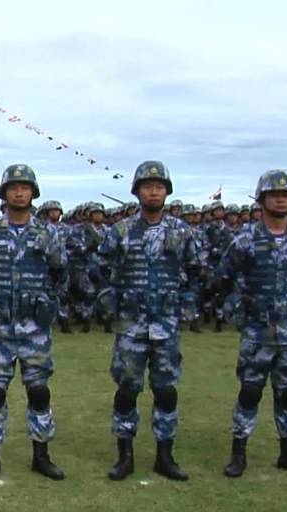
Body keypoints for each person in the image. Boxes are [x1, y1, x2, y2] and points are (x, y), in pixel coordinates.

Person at [97, 160, 200, 482]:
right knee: (127, 389)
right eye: (147, 186)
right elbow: (98, 268)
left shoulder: (181, 232)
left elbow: (197, 271)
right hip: (131, 324)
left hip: (166, 324)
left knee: (166, 391)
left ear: (167, 192)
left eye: (159, 186)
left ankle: (164, 456)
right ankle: (124, 455)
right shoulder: (121, 231)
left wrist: (185, 304)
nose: (153, 191)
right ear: (137, 191)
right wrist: (111, 300)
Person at [0, 164, 66, 481]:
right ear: (4, 194)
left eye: (25, 188)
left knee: (38, 391)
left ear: (33, 193)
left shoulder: (48, 233)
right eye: (13, 187)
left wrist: (43, 299)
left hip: (34, 326)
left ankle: (41, 454)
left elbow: (61, 273)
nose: (19, 192)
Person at [219, 170, 287, 478]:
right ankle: (239, 453)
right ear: (262, 200)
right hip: (257, 332)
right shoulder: (245, 240)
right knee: (250, 391)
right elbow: (223, 278)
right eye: (274, 195)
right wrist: (237, 304)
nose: (281, 199)